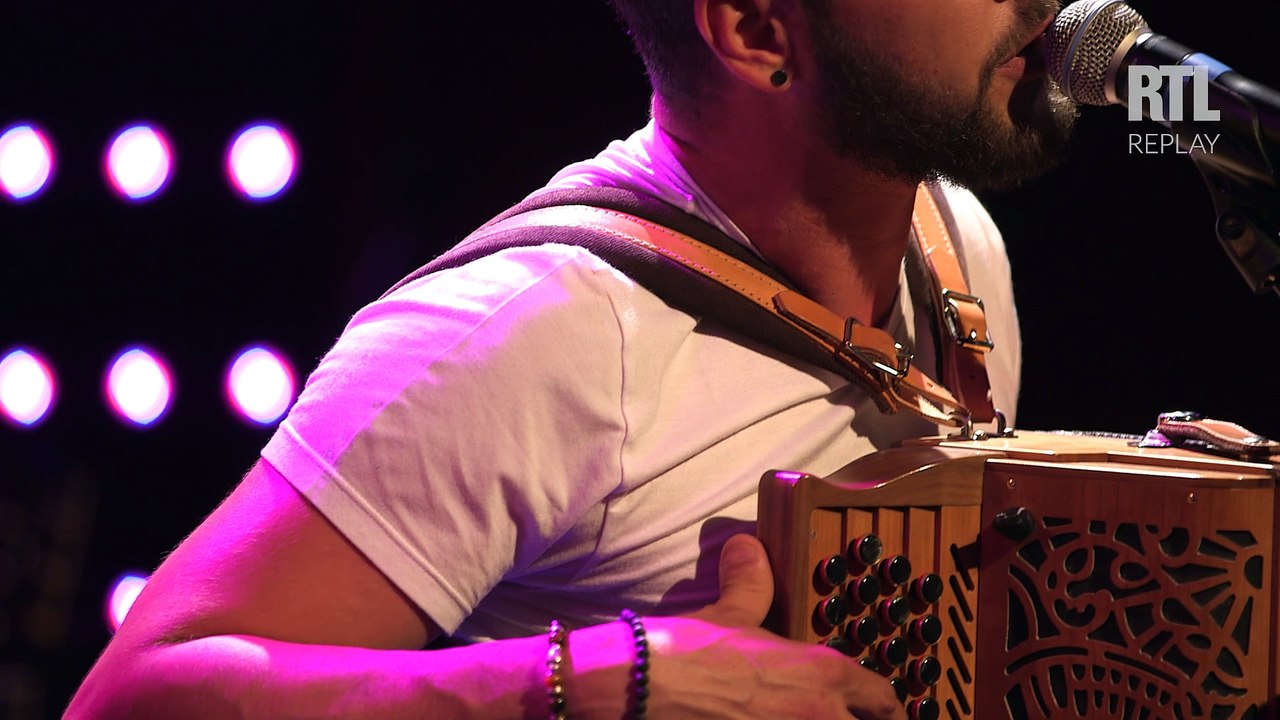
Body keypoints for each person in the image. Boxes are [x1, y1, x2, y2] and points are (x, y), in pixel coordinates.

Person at [66, 0, 1075, 717]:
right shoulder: (535, 333)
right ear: (759, 28)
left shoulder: (954, 249)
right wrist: (601, 684)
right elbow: (133, 694)